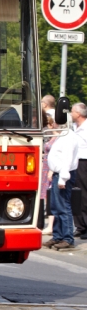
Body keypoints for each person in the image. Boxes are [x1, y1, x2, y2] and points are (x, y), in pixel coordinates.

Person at [43, 117, 79, 251]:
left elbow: (67, 159)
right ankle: (58, 235)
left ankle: (67, 238)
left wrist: (63, 178)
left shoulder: (68, 137)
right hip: (58, 174)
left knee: (63, 206)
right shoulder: (64, 135)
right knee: (56, 206)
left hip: (63, 174)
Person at [70, 102, 87, 239]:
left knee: (84, 194)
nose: (70, 114)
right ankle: (79, 225)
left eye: (72, 111)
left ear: (78, 114)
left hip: (84, 162)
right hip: (75, 162)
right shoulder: (74, 127)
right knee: (76, 194)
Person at [41, 113, 56, 235]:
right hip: (46, 165)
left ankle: (52, 226)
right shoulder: (51, 135)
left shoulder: (52, 135)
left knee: (50, 196)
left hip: (50, 167)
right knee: (45, 194)